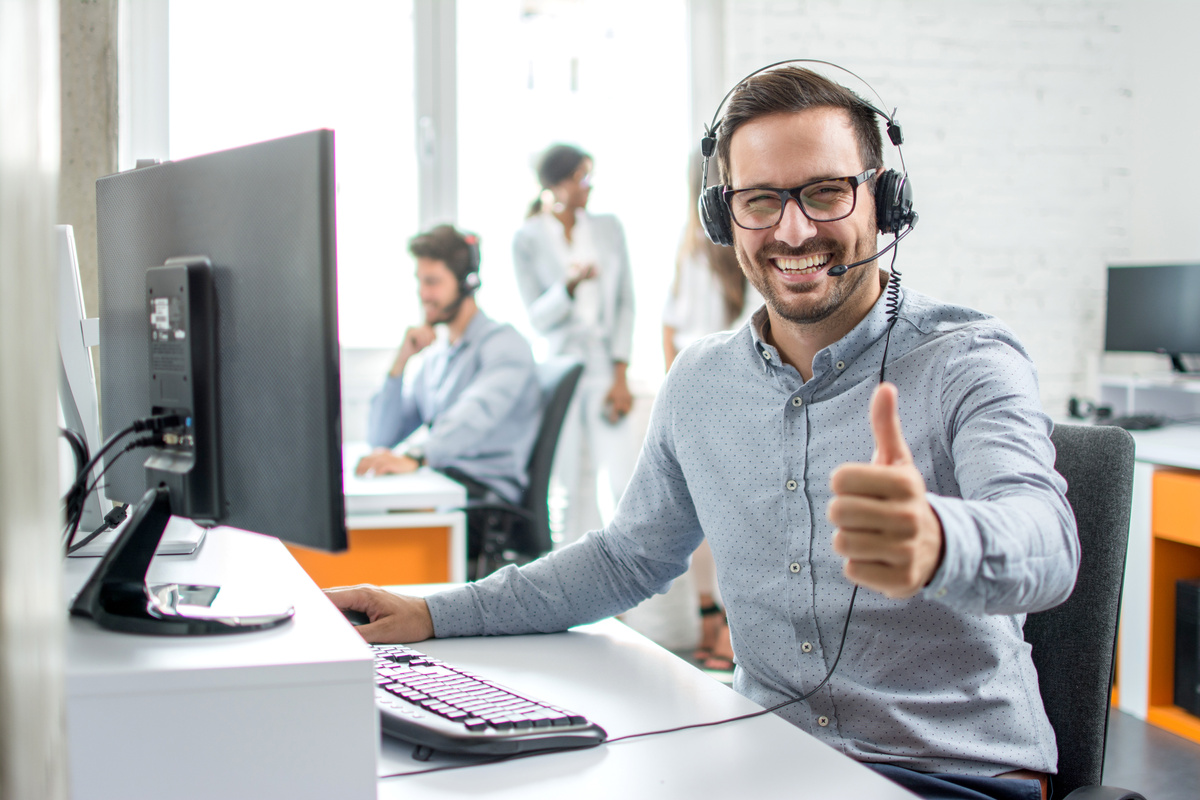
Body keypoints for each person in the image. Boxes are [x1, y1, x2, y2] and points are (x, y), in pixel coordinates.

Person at [330, 67, 1077, 800]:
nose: (793, 230)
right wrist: (433, 613)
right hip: (767, 760)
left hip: (951, 774)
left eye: (825, 192)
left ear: (884, 200)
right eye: (760, 201)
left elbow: (1048, 539)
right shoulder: (702, 382)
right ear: (725, 217)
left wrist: (941, 539)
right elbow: (626, 560)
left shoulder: (966, 359)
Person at [356, 225, 541, 560]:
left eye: (433, 281)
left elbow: (475, 413)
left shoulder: (504, 345)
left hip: (483, 507)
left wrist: (415, 456)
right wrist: (400, 363)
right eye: (419, 280)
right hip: (442, 489)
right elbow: (381, 437)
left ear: (468, 282)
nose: (423, 293)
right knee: (363, 521)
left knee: (374, 536)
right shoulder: (437, 357)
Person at [663, 149, 764, 671]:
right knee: (722, 521)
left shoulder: (699, 250)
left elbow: (670, 328)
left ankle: (715, 627)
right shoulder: (713, 250)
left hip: (718, 398)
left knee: (713, 520)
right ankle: (720, 629)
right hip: (727, 397)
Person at [509, 144, 637, 544]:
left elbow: (625, 303)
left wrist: (621, 375)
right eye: (582, 178)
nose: (588, 186)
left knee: (622, 480)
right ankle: (574, 584)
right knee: (567, 483)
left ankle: (628, 584)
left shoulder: (607, 228)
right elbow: (536, 317)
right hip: (561, 368)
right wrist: (568, 286)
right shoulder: (527, 239)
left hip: (603, 368)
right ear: (558, 185)